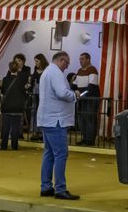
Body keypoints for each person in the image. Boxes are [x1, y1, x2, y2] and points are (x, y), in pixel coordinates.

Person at [37, 51, 79, 200]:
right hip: (56, 120)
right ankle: (60, 189)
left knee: (49, 154)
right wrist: (74, 95)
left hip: (47, 119)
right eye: (66, 63)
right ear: (61, 60)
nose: (67, 67)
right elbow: (62, 93)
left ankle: (46, 186)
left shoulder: (48, 72)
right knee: (61, 154)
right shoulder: (55, 73)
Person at [0, 61, 29, 150]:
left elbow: (3, 92)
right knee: (15, 128)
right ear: (18, 69)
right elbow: (24, 94)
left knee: (6, 127)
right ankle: (14, 145)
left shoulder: (5, 79)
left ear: (9, 69)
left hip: (7, 107)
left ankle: (4, 145)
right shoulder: (21, 80)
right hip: (17, 107)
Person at [73, 53, 99, 146]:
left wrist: (81, 95)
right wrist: (76, 91)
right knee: (82, 119)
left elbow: (91, 86)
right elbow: (74, 84)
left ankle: (90, 140)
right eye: (80, 59)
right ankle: (84, 138)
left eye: (83, 59)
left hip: (90, 99)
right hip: (82, 99)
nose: (80, 61)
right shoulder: (79, 70)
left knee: (90, 119)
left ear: (88, 59)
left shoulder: (92, 70)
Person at [29, 54, 49, 140]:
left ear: (41, 61)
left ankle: (42, 132)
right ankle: (35, 132)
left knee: (43, 113)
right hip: (35, 94)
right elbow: (33, 80)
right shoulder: (35, 69)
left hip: (44, 95)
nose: (35, 63)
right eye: (35, 61)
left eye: (37, 61)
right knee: (34, 112)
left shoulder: (47, 69)